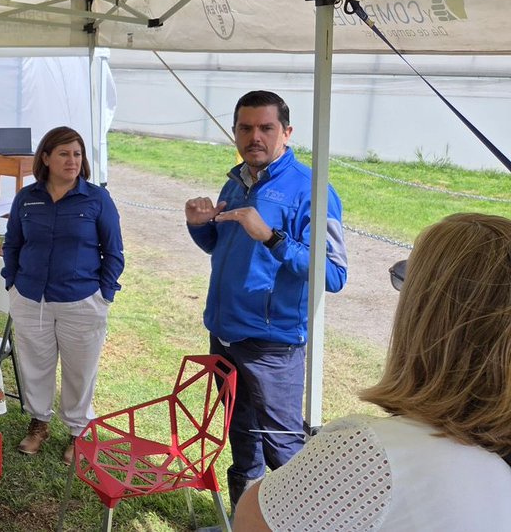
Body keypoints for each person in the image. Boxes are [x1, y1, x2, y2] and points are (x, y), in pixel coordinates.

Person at [235, 213, 511, 531]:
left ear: (426, 317)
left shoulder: (375, 455)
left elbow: (255, 518)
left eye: (407, 281)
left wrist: (273, 238)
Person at [184, 89, 348, 508]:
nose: (254, 136)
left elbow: (332, 274)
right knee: (242, 440)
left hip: (272, 347)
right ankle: (247, 520)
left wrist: (273, 237)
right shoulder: (236, 181)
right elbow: (226, 248)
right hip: (224, 336)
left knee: (283, 450)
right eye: (245, 127)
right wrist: (201, 226)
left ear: (286, 132)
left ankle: (301, 517)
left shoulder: (312, 189)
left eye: (265, 127)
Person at [2, 125, 124, 465]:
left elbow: (113, 251)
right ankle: (39, 422)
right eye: (64, 153)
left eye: (77, 154)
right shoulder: (27, 197)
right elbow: (13, 243)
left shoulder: (97, 198)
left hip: (82, 300)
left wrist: (104, 295)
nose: (72, 160)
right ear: (46, 158)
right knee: (34, 366)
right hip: (29, 297)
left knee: (80, 369)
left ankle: (78, 431)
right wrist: (11, 284)